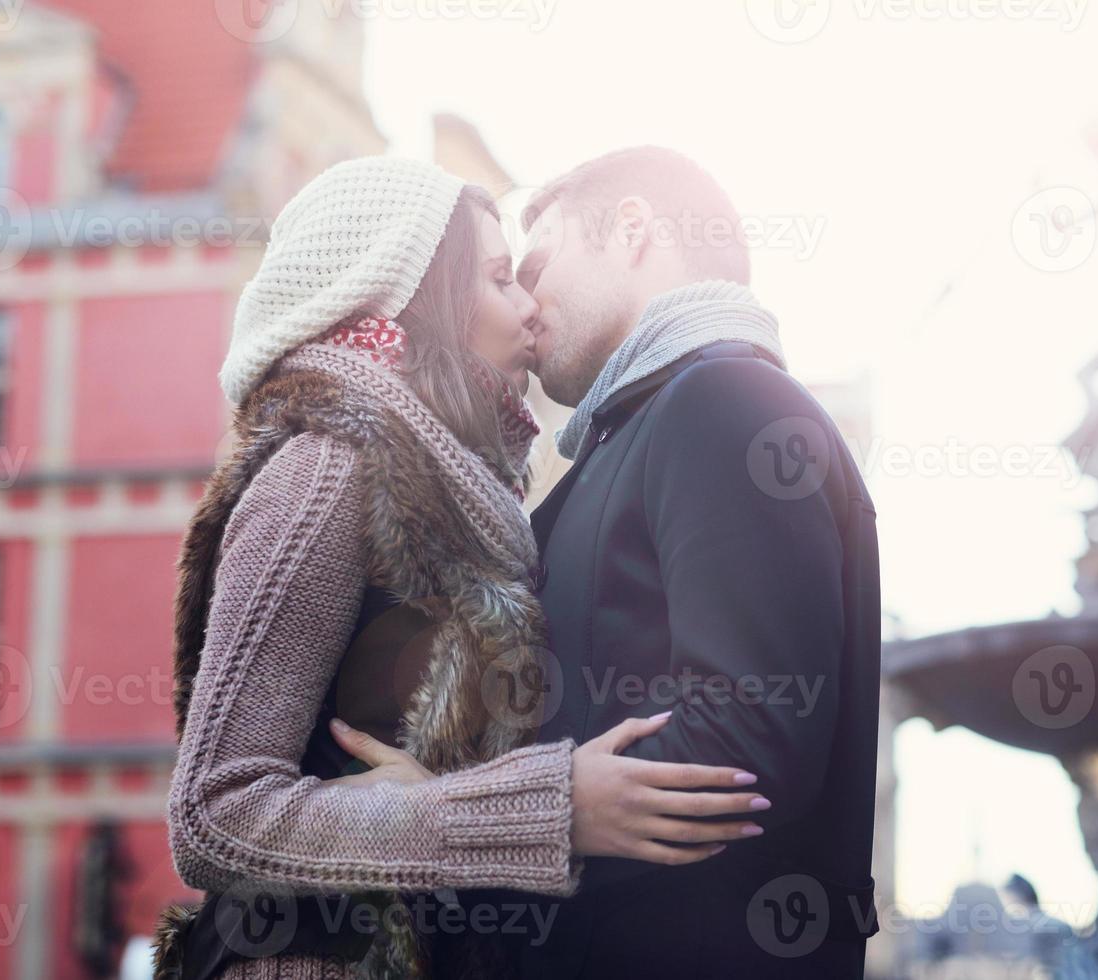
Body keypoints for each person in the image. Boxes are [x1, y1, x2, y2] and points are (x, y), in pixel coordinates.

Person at [159, 157, 767, 980]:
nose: (529, 306)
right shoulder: (330, 468)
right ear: (412, 299)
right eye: (497, 278)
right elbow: (215, 814)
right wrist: (548, 810)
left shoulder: (465, 495)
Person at [505, 146, 884, 978]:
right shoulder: (663, 420)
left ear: (632, 230)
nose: (523, 306)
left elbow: (746, 741)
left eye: (538, 263)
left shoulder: (725, 401)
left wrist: (471, 815)